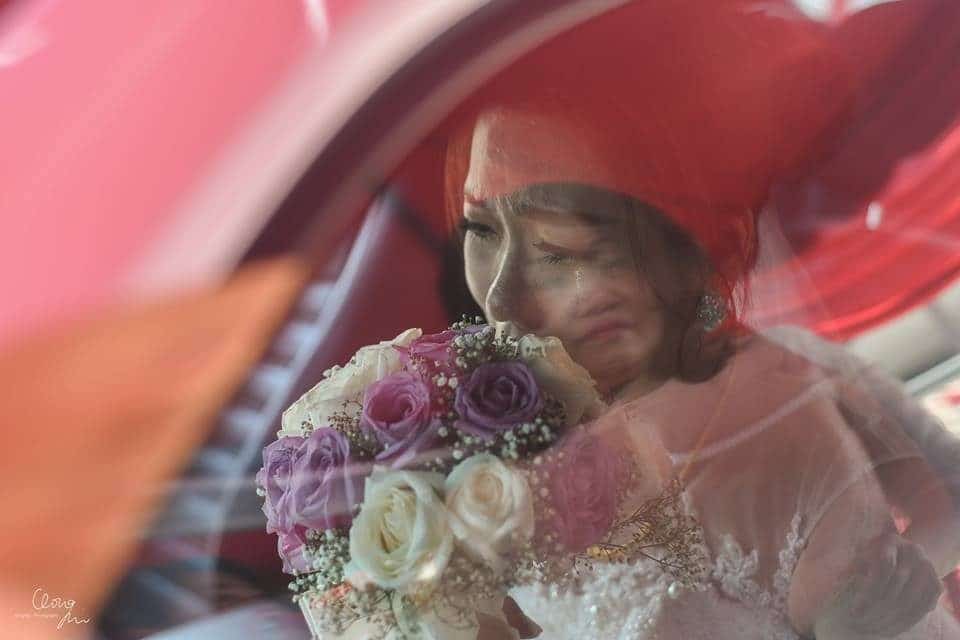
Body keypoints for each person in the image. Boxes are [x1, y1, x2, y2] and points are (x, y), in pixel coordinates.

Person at [438, 2, 960, 637]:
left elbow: (945, 492)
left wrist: (887, 594)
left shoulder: (804, 377)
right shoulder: (487, 448)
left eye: (561, 250)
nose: (498, 297)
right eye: (481, 227)